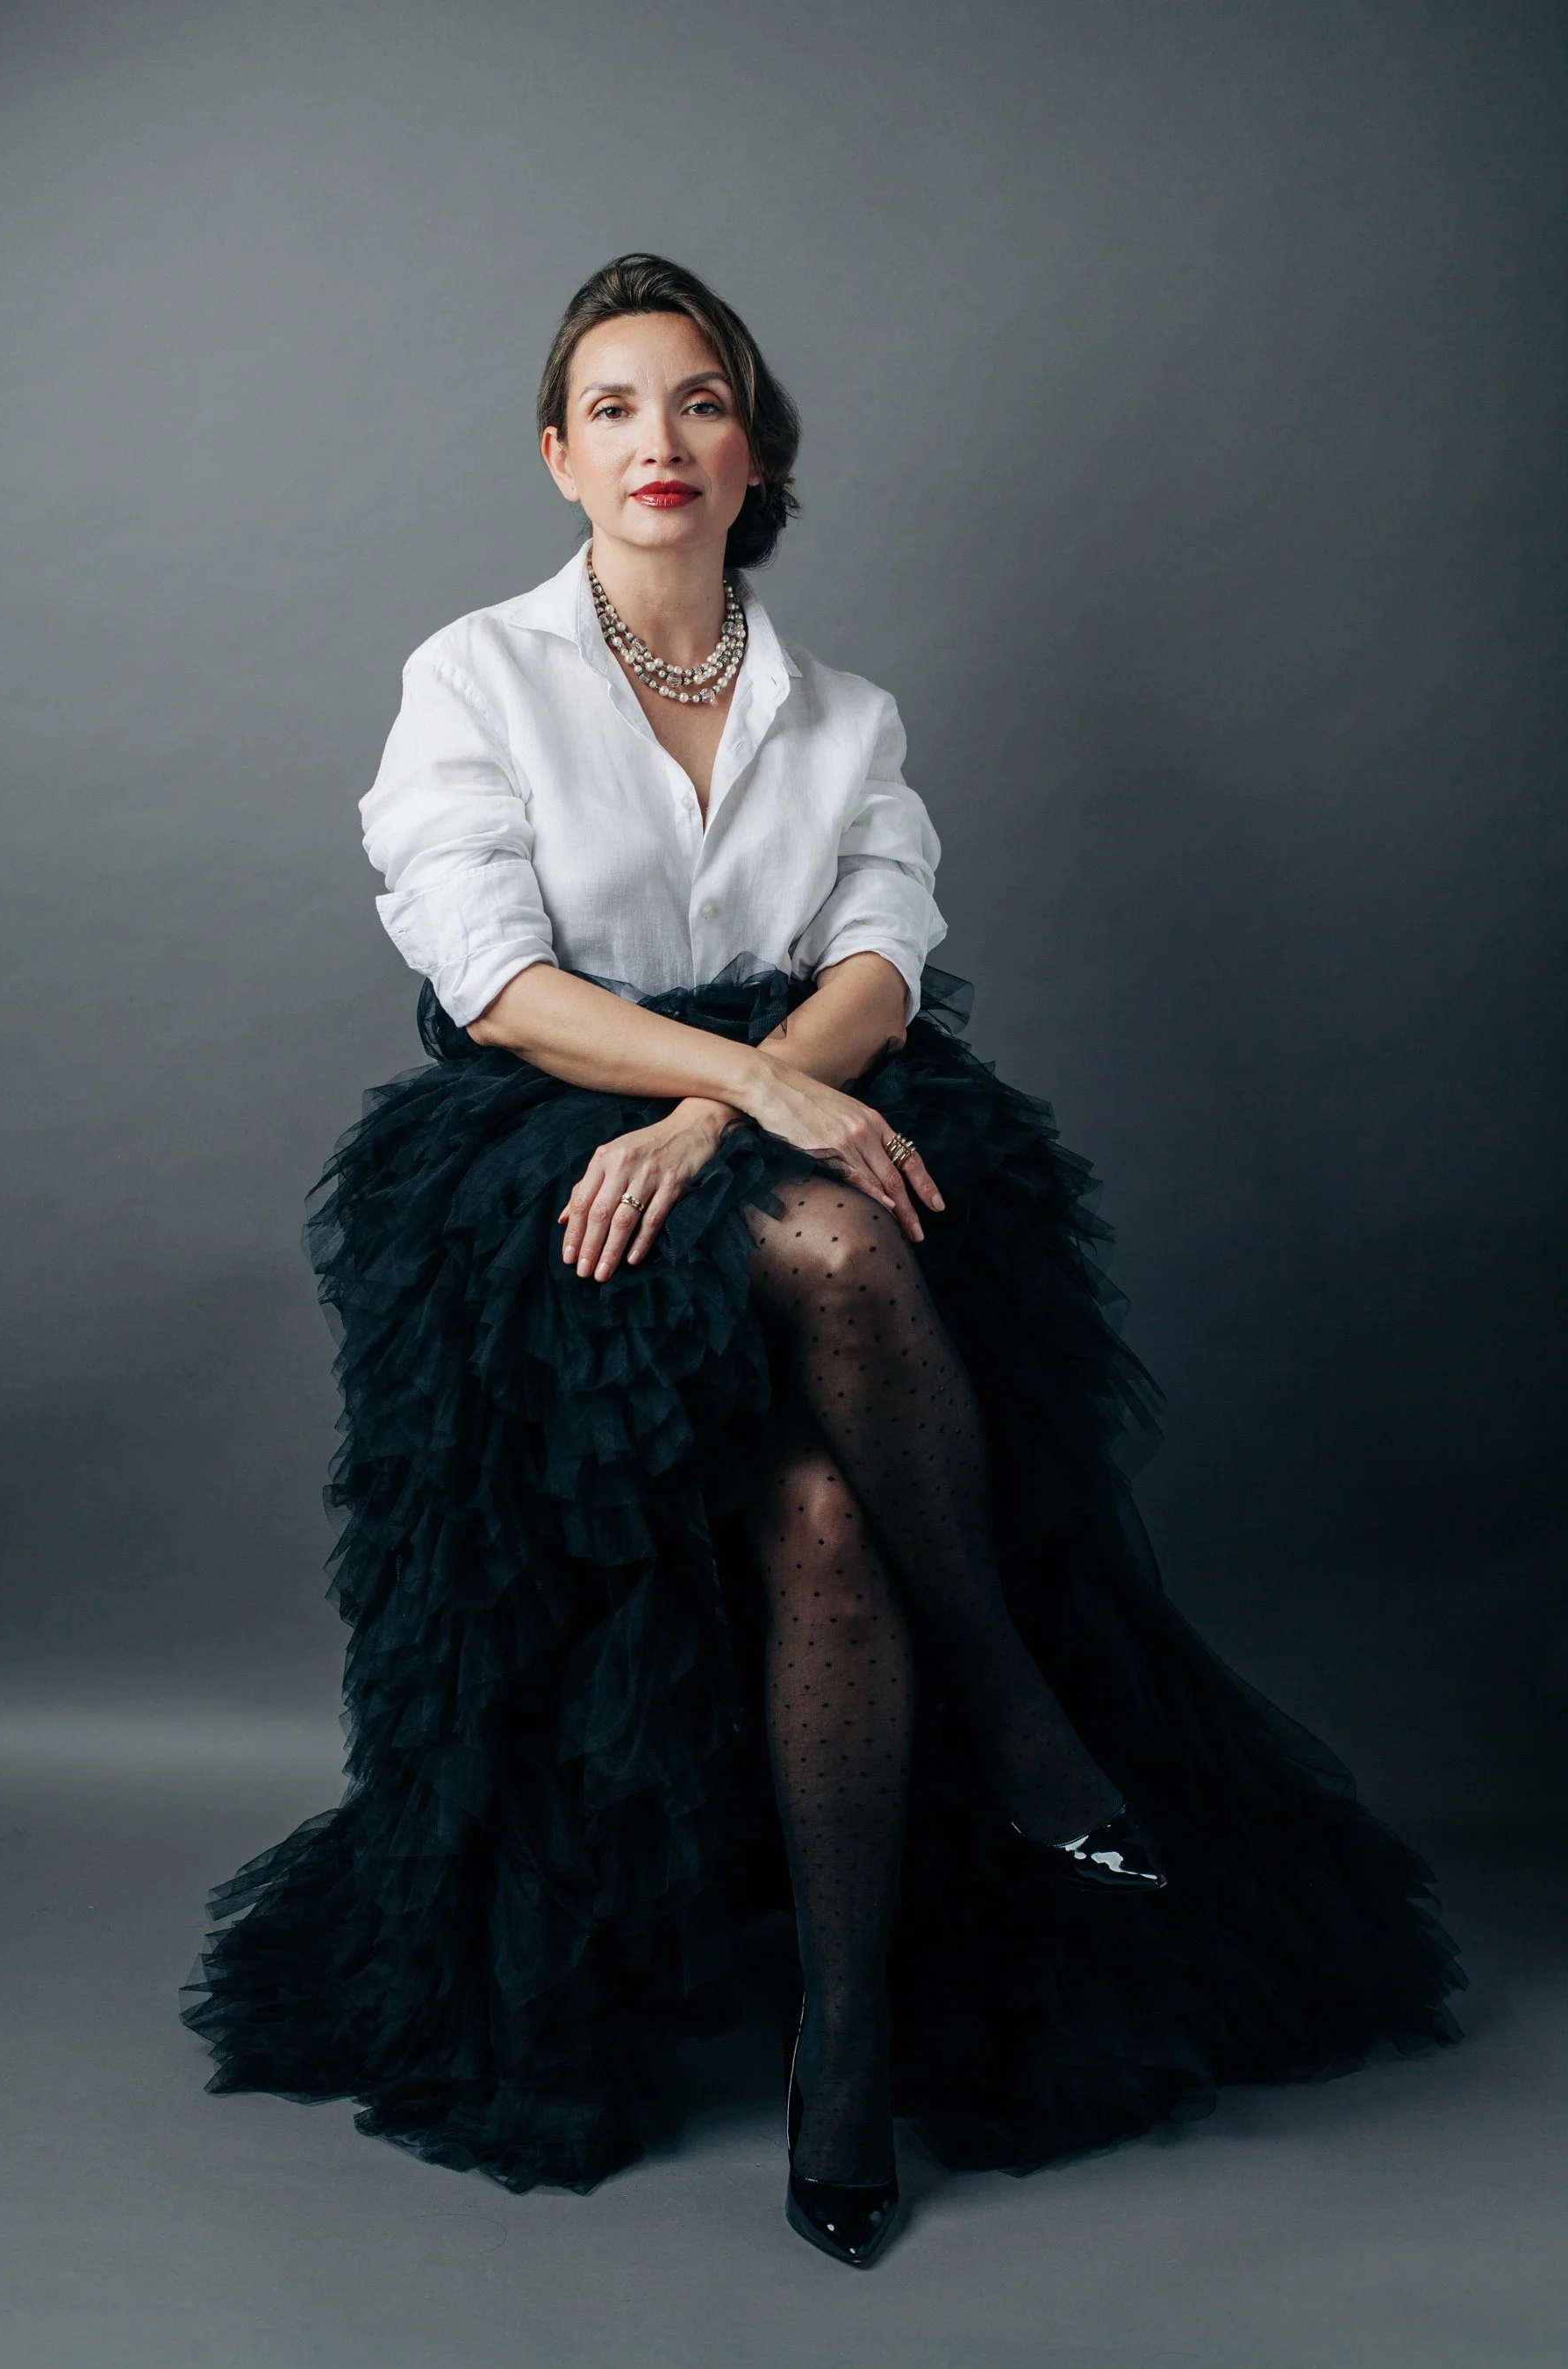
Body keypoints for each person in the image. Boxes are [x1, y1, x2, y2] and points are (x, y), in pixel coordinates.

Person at [182, 254, 1462, 2270]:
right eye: (613, 407)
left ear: (754, 446)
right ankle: (1017, 1704)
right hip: (553, 1168)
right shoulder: (476, 678)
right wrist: (719, 1104)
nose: (658, 442)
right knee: (837, 1233)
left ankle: (844, 2044)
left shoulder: (845, 710)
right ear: (556, 454)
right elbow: (496, 980)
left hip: (790, 1099)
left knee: (825, 1517)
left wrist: (729, 1105)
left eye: (697, 402)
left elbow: (884, 962)